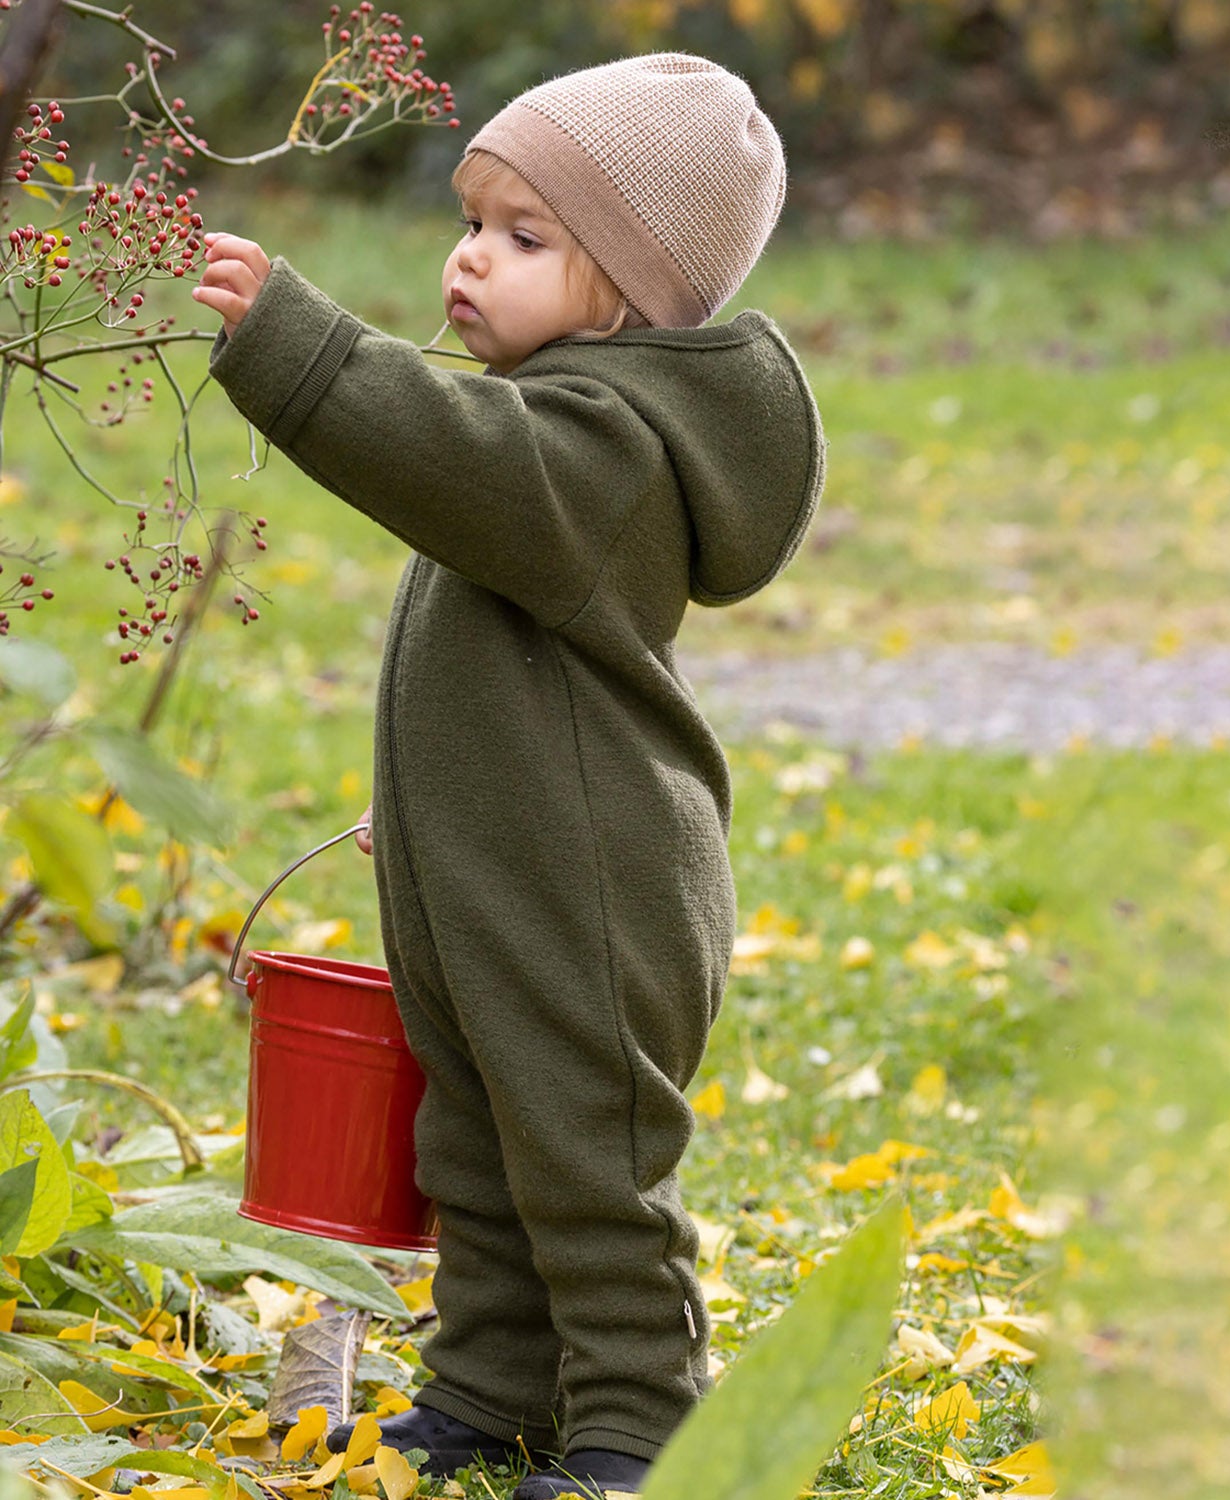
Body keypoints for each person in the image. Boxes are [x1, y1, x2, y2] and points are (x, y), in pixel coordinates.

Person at [195, 50, 826, 1500]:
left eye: (527, 238)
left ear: (635, 291)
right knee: (473, 1137)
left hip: (591, 881)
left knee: (587, 1163)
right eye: (475, 220)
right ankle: (490, 1387)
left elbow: (441, 450)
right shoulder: (556, 418)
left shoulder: (601, 449)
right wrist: (419, 808)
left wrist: (301, 345)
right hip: (501, 861)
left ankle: (643, 1413)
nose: (472, 257)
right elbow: (487, 674)